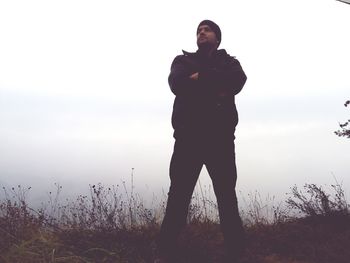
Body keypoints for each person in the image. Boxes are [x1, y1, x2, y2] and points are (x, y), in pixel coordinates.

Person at [156, 20, 247, 263]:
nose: (201, 32)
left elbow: (237, 81)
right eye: (198, 30)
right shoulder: (182, 61)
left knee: (226, 197)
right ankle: (165, 254)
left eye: (206, 30)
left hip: (221, 140)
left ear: (217, 37)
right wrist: (216, 85)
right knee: (178, 196)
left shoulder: (230, 62)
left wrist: (201, 77)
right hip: (188, 138)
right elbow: (177, 84)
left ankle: (236, 254)